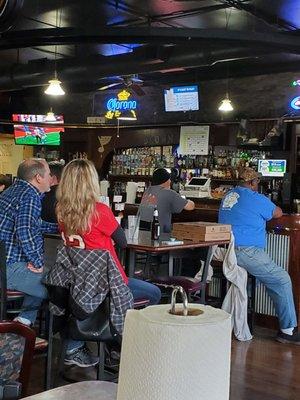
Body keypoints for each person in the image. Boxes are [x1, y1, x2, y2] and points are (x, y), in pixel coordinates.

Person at [56, 159, 161, 366]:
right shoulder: (99, 211)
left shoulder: (60, 209)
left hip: (76, 283)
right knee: (154, 293)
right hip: (107, 283)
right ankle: (121, 345)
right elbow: (122, 241)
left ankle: (113, 345)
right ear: (92, 182)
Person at [219, 167, 300, 344]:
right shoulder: (255, 198)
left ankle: (239, 317)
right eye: (256, 182)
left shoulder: (228, 195)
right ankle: (288, 331)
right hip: (246, 251)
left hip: (225, 250)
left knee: (253, 280)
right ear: (251, 183)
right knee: (282, 279)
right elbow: (277, 213)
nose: (257, 184)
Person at [0, 158, 58, 326]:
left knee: (45, 272)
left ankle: (24, 322)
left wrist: (60, 227)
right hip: (8, 269)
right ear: (38, 178)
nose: (51, 178)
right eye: (49, 174)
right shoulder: (29, 196)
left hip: (5, 264)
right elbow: (25, 231)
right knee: (60, 285)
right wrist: (37, 261)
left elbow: (33, 224)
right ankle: (67, 345)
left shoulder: (12, 191)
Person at [141, 168, 195, 234]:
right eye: (169, 179)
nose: (170, 181)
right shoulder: (168, 193)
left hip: (143, 232)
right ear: (166, 181)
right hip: (160, 233)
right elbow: (190, 207)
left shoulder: (147, 191)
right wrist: (188, 200)